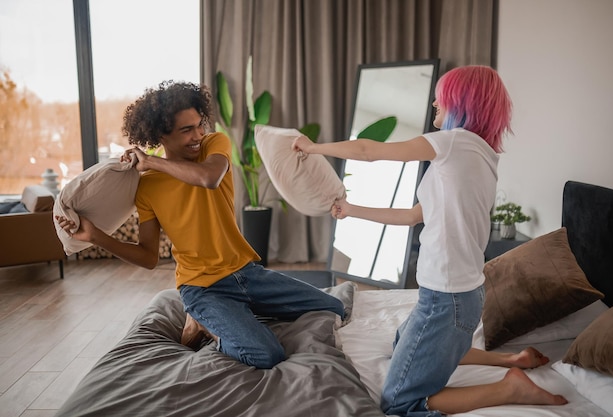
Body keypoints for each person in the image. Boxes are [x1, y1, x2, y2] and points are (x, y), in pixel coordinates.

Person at [292, 66, 567, 416]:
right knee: (398, 345)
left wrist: (312, 147)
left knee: (399, 403)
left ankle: (510, 386)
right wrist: (350, 209)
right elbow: (412, 216)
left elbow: (368, 150)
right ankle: (510, 360)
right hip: (459, 296)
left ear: (462, 102)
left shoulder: (453, 144)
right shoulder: (478, 153)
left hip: (447, 300)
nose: (435, 102)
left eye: (443, 96)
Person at [56, 80, 345, 369]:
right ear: (161, 135)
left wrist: (154, 163)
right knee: (266, 355)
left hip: (247, 274)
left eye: (199, 124)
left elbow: (209, 178)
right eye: (186, 130)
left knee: (334, 308)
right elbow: (148, 257)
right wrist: (95, 236)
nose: (198, 135)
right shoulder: (147, 188)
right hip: (202, 288)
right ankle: (203, 323)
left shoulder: (213, 146)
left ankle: (226, 315)